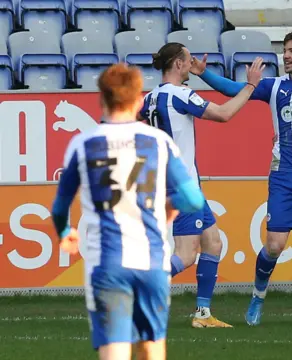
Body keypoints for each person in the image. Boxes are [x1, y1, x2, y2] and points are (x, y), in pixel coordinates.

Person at [190, 32, 292, 326]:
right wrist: (204, 73)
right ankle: (258, 296)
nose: (286, 56)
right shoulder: (274, 87)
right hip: (283, 177)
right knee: (274, 246)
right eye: (285, 50)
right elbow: (233, 90)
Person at [51, 63, 206, 360]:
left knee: (115, 351)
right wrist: (168, 208)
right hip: (152, 262)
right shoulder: (158, 142)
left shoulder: (83, 143)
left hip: (107, 264)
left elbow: (59, 206)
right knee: (152, 348)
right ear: (138, 100)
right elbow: (192, 198)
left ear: (102, 99)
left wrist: (64, 231)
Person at [139, 42, 265, 328]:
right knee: (185, 254)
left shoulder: (150, 98)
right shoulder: (179, 94)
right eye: (188, 59)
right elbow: (223, 114)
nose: (191, 63)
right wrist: (250, 86)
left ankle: (203, 314)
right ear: (179, 64)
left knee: (213, 242)